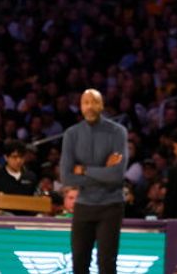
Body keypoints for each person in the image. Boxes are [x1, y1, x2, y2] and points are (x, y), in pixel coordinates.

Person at [60, 89, 128, 274]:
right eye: (85, 102)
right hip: (83, 205)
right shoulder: (71, 134)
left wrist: (84, 170)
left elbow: (116, 175)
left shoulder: (118, 132)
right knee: (79, 262)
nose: (90, 106)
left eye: (94, 102)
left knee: (107, 263)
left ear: (102, 105)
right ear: (80, 106)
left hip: (111, 205)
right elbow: (66, 176)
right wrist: (103, 172)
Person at [0, 140, 36, 212]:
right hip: (1, 218)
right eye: (14, 157)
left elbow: (36, 199)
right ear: (6, 157)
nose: (18, 160)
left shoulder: (31, 177)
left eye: (21, 157)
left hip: (26, 218)